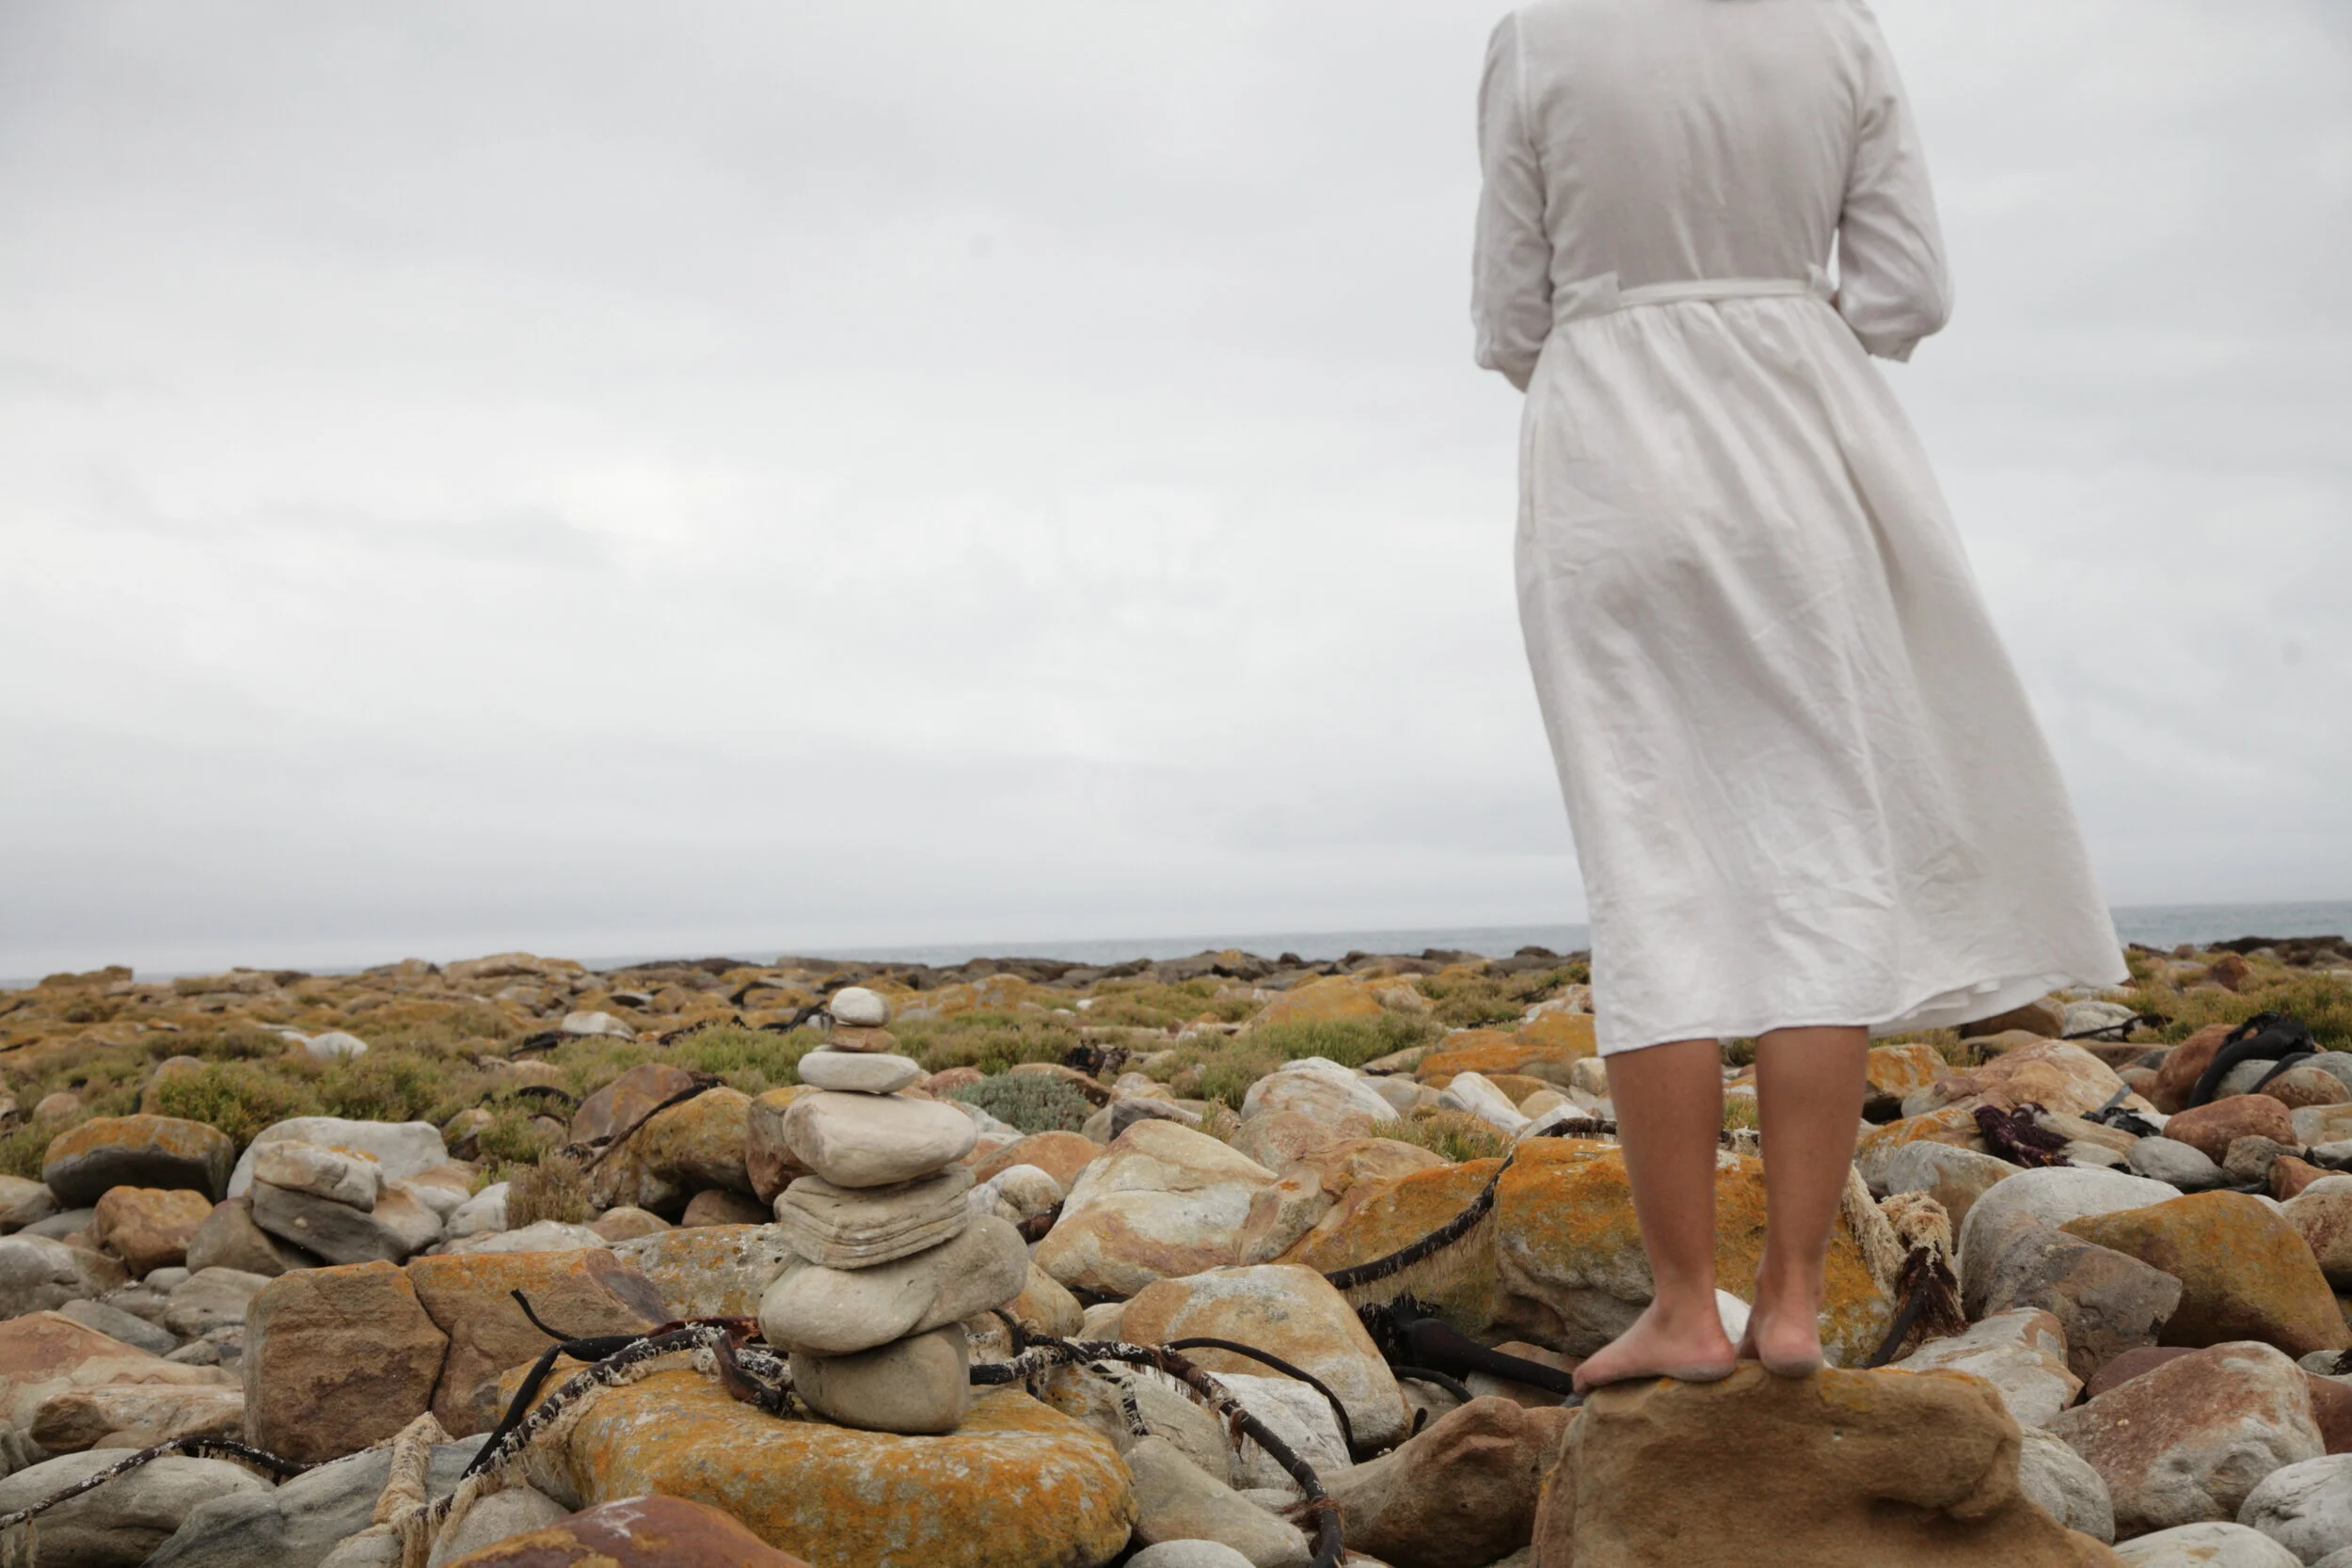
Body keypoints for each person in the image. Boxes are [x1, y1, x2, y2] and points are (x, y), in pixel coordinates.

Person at [1470, 0, 2126, 1389]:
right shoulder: (1836, 29)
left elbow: (1509, 312)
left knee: (1652, 875)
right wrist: (1773, 321)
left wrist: (1630, 342)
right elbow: (1907, 291)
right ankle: (1790, 1308)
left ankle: (1682, 1309)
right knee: (1819, 858)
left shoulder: (1540, 33)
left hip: (1608, 459)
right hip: (1797, 442)